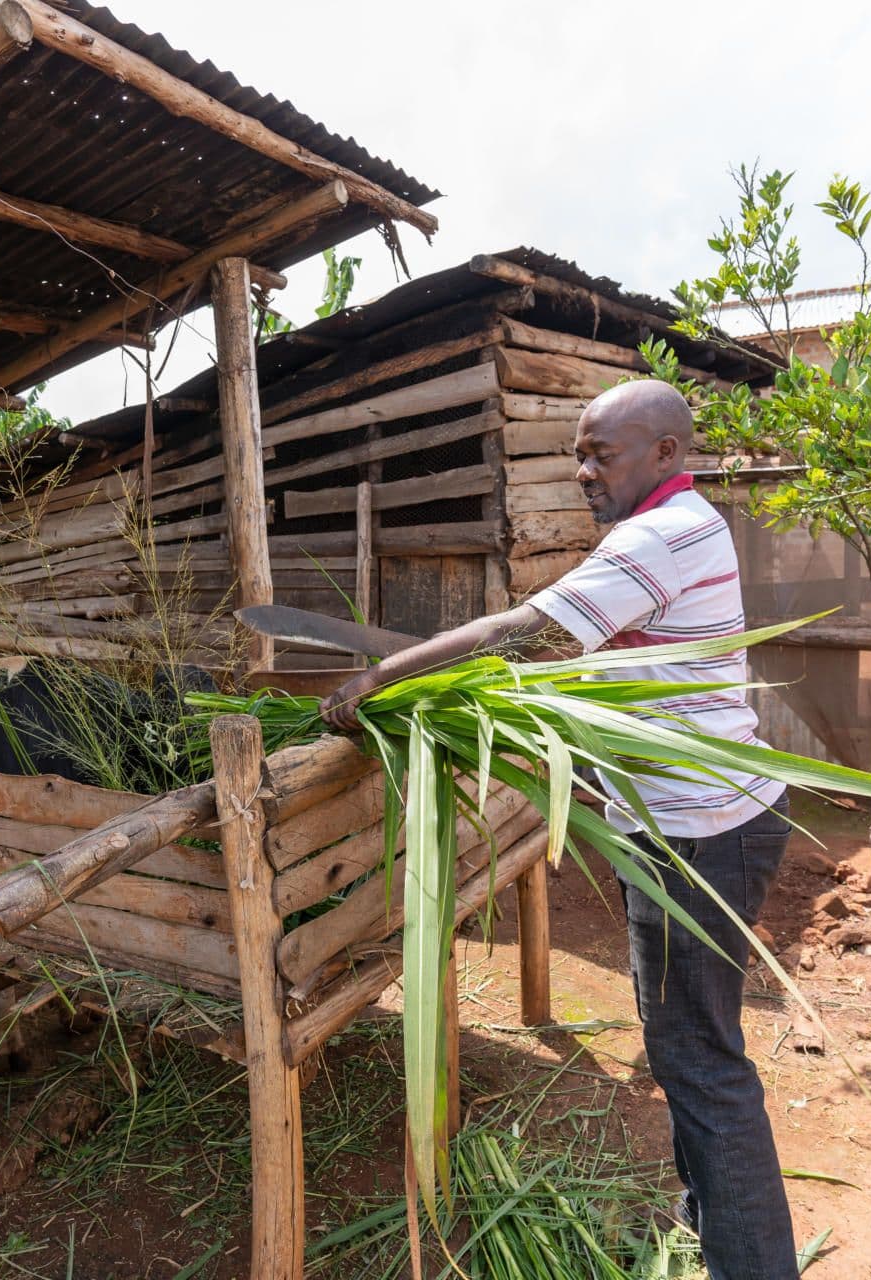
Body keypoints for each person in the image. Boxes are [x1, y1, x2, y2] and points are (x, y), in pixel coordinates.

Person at [318, 378, 799, 1280]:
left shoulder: (660, 534)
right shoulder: (683, 523)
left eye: (599, 453)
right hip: (707, 818)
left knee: (698, 1062)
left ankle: (752, 1264)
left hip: (698, 833)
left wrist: (380, 681)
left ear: (666, 453)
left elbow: (529, 632)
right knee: (686, 1046)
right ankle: (711, 1223)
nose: (582, 471)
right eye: (576, 453)